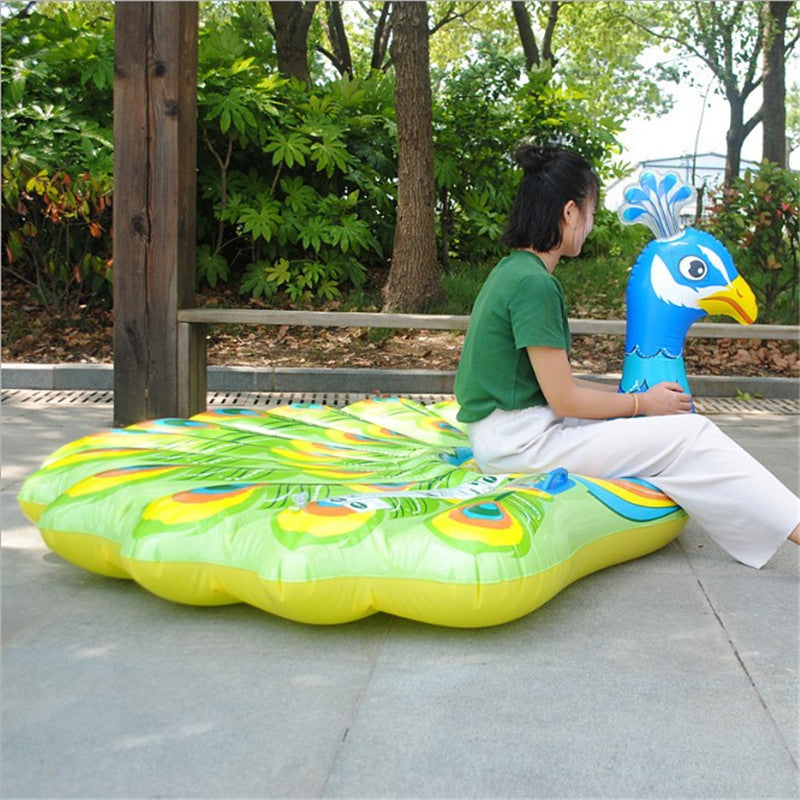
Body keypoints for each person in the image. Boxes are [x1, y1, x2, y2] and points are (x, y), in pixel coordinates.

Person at [454, 142, 799, 569]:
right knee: (691, 434)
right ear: (569, 213)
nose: (591, 225)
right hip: (521, 447)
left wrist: (627, 404)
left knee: (651, 425)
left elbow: (550, 386)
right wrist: (643, 402)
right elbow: (563, 401)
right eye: (591, 213)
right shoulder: (534, 286)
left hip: (508, 433)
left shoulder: (513, 271)